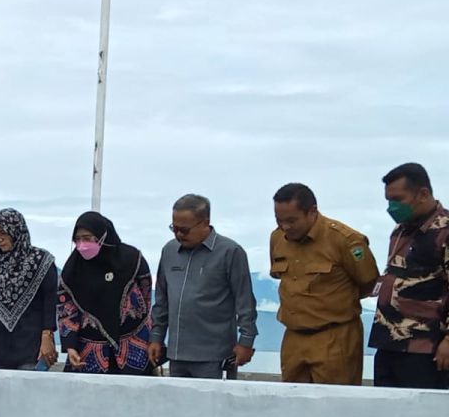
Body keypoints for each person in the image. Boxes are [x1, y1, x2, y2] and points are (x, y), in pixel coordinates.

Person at [270, 183, 379, 385]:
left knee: (337, 407)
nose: (285, 227)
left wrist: (335, 305)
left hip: (335, 336)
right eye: (279, 220)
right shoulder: (277, 238)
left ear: (312, 212)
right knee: (292, 405)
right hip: (293, 337)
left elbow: (369, 282)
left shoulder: (346, 240)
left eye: (292, 220)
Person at [149, 194, 257, 379]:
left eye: (184, 229)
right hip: (176, 355)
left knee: (215, 408)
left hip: (215, 357)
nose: (179, 234)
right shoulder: (169, 251)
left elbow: (245, 302)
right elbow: (162, 300)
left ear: (205, 222)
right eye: (174, 228)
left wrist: (246, 341)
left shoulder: (230, 252)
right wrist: (156, 337)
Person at [369, 162, 449, 389]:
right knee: (386, 416)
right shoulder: (400, 230)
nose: (392, 207)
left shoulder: (445, 231)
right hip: (387, 343)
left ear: (423, 194)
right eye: (388, 200)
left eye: (398, 200)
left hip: (425, 348)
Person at [58, 212, 154, 375]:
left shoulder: (132, 259)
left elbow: (146, 297)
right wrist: (70, 346)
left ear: (103, 235)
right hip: (88, 353)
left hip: (132, 346)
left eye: (87, 238)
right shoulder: (72, 270)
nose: (82, 244)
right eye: (77, 239)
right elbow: (66, 310)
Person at [0, 208, 58, 370]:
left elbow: (50, 302)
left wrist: (47, 337)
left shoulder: (41, 261)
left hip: (30, 348)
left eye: (3, 233)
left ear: (16, 230)